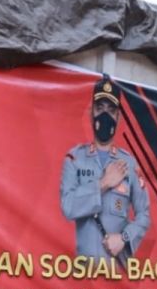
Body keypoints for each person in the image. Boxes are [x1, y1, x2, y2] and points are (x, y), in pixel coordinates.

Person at [60, 75, 151, 261]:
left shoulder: (130, 163)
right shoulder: (75, 158)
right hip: (85, 273)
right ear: (91, 112)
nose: (104, 114)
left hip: (116, 273)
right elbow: (68, 207)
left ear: (118, 117)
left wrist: (125, 238)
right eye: (99, 108)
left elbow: (144, 215)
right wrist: (103, 183)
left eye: (111, 110)